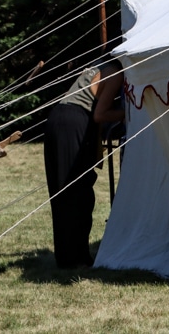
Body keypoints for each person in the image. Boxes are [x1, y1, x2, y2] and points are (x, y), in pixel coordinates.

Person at [43, 57, 125, 268]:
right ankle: (75, 257)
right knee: (77, 191)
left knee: (64, 191)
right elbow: (100, 114)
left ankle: (68, 255)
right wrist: (128, 114)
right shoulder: (116, 72)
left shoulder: (99, 66)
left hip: (58, 119)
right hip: (74, 122)